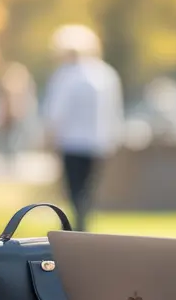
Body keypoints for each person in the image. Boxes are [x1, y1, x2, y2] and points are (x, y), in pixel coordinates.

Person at [43, 25, 124, 231]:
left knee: (73, 190)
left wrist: (49, 137)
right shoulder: (106, 74)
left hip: (71, 142)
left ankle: (72, 227)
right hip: (97, 142)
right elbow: (114, 112)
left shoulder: (65, 75)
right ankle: (80, 226)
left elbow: (55, 112)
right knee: (87, 191)